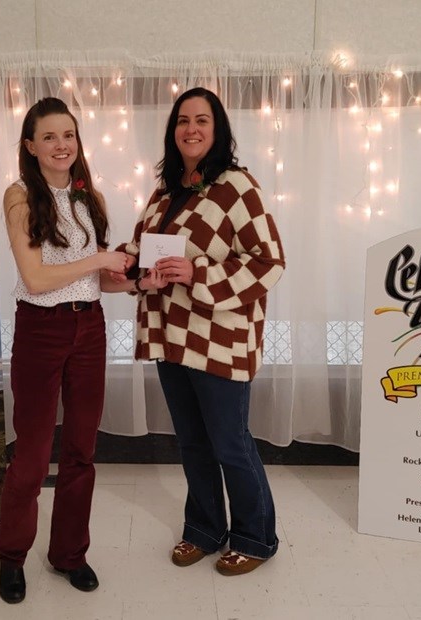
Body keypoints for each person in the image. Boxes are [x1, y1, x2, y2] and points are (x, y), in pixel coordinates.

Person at [115, 87, 285, 576]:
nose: (191, 129)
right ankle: (205, 529)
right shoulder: (164, 192)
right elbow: (140, 252)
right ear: (173, 130)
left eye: (202, 120)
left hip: (221, 340)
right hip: (171, 337)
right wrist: (119, 267)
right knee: (192, 442)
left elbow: (270, 262)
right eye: (183, 120)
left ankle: (256, 537)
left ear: (218, 129)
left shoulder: (237, 186)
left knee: (230, 442)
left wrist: (199, 273)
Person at [0, 97, 130, 604]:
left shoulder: (87, 198)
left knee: (81, 449)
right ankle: (11, 556)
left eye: (67, 135)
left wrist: (136, 283)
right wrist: (98, 257)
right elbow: (36, 277)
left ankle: (69, 554)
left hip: (88, 329)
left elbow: (94, 282)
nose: (60, 145)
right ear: (30, 145)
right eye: (48, 136)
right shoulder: (20, 196)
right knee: (30, 456)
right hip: (40, 332)